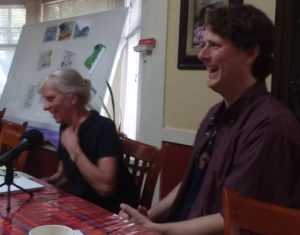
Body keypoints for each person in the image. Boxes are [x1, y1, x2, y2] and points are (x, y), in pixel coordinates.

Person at [119, 4, 300, 234]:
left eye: (214, 45)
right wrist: (147, 218)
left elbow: (233, 218)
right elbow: (192, 183)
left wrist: (160, 229)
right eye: (203, 45)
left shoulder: (269, 126)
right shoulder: (214, 115)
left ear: (250, 53)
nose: (202, 56)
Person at [39, 68, 138, 214]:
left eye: (51, 98)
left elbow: (105, 187)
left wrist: (74, 150)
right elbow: (65, 175)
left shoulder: (103, 128)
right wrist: (40, 184)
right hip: (79, 206)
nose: (45, 106)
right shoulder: (65, 127)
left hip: (112, 214)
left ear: (72, 98)